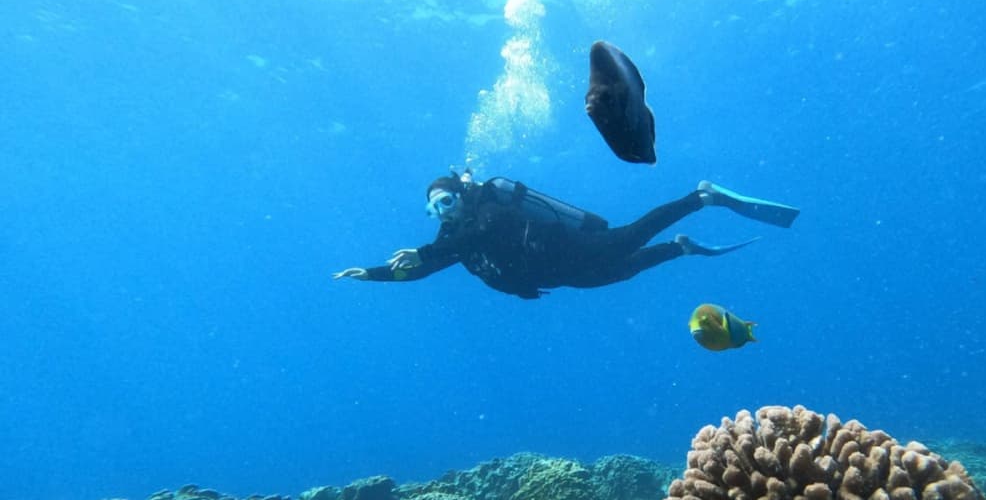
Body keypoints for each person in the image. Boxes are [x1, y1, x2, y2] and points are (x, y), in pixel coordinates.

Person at [332, 171, 798, 300]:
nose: (441, 211)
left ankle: (703, 197)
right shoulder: (455, 239)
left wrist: (428, 248)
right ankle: (679, 249)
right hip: (558, 274)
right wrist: (371, 275)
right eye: (433, 207)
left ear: (462, 196)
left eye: (446, 201)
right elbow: (420, 270)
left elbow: (480, 233)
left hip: (567, 247)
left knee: (629, 239)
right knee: (617, 277)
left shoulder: (488, 206)